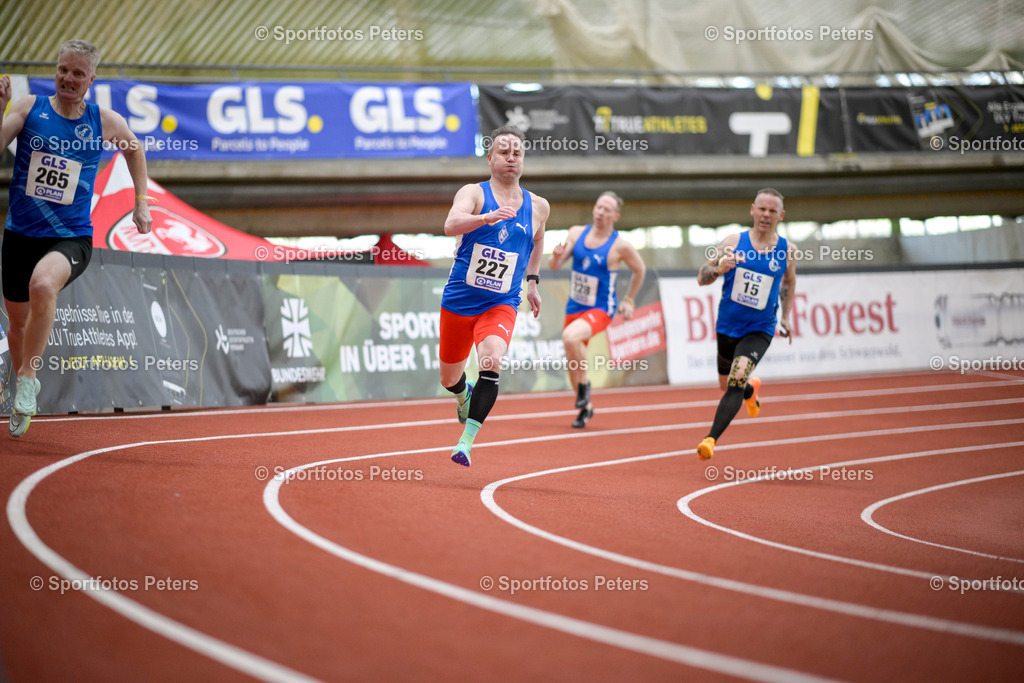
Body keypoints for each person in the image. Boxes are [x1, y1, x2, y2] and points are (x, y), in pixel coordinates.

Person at [1, 40, 152, 437]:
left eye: (78, 74)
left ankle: (29, 382)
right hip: (20, 235)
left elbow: (135, 150)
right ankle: (22, 383)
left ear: (91, 80)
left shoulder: (104, 121)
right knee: (17, 325)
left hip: (70, 238)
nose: (68, 78)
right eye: (63, 69)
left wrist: (142, 203)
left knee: (43, 284)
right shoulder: (28, 108)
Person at [438, 125, 548, 466]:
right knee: (449, 378)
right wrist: (486, 217)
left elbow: (538, 239)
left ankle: (465, 443)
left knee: (491, 359)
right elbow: (450, 224)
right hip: (459, 300)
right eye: (504, 151)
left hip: (500, 302)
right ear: (490, 158)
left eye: (517, 152)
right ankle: (462, 396)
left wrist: (532, 282)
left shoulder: (539, 206)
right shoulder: (474, 193)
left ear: (524, 160)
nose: (511, 157)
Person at [695, 188, 796, 460]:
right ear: (752, 209)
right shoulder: (732, 242)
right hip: (728, 325)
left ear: (781, 215)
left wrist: (785, 316)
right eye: (762, 209)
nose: (766, 215)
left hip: (760, 329)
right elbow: (702, 276)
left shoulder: (787, 250)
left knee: (737, 376)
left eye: (772, 211)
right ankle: (751, 392)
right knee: (727, 384)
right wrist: (719, 269)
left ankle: (710, 440)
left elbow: (788, 281)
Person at [548, 191, 645, 428]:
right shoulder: (576, 233)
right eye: (599, 207)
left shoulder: (620, 246)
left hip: (601, 308)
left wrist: (629, 299)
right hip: (574, 306)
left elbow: (639, 270)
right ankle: (586, 407)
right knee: (573, 361)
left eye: (607, 209)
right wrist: (555, 256)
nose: (601, 212)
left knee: (570, 337)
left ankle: (585, 387)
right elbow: (554, 267)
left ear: (616, 216)